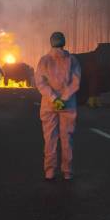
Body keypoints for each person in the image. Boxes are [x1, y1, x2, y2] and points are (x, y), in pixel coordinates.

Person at [35, 32, 81, 181]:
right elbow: (76, 82)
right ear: (64, 42)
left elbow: (40, 83)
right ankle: (67, 172)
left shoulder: (44, 60)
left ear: (51, 43)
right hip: (68, 105)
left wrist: (54, 98)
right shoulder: (72, 60)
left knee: (50, 139)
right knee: (67, 138)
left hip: (48, 105)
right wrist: (64, 98)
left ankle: (50, 171)